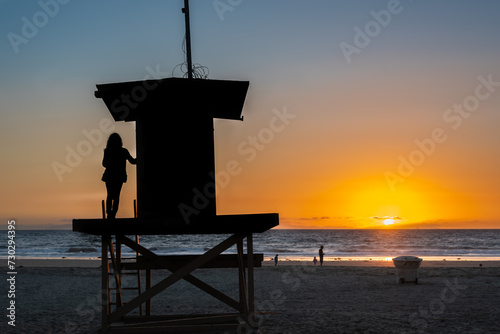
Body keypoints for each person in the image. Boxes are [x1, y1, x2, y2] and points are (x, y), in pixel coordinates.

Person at [101, 133, 136, 219]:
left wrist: (109, 163)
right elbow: (133, 161)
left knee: (110, 195)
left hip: (109, 175)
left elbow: (104, 163)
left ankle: (109, 213)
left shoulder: (107, 151)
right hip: (119, 176)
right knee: (116, 195)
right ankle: (113, 214)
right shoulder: (123, 151)